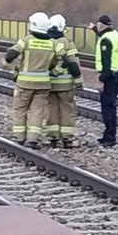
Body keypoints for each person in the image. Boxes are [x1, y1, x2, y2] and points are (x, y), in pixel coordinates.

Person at [0, 12, 77, 150]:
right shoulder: (53, 44)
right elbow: (66, 60)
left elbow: (12, 54)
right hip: (43, 83)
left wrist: (6, 64)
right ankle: (33, 139)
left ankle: (19, 137)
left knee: (20, 110)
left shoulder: (26, 40)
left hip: (24, 83)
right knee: (38, 111)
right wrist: (56, 71)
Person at [46, 14, 83, 149]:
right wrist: (79, 81)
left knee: (52, 109)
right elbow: (73, 64)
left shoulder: (47, 42)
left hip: (49, 83)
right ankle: (67, 139)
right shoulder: (67, 43)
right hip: (66, 85)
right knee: (67, 110)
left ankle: (53, 137)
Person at [87, 14, 118, 147]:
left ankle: (109, 137)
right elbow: (104, 38)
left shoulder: (105, 40)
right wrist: (94, 30)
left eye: (97, 25)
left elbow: (106, 60)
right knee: (111, 106)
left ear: (101, 25)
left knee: (107, 108)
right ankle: (109, 134)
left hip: (110, 77)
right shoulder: (115, 35)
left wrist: (102, 78)